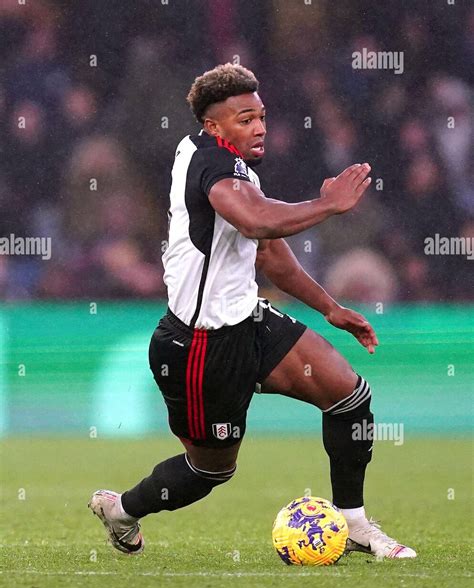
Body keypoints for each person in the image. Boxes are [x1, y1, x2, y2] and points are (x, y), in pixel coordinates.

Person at [89, 63, 415, 559]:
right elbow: (256, 218)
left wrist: (330, 308)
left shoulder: (230, 164)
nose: (259, 127)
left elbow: (266, 249)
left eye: (261, 116)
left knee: (348, 395)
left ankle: (354, 524)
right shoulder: (212, 165)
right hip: (199, 346)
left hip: (248, 321)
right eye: (245, 119)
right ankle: (122, 508)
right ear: (214, 126)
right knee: (210, 471)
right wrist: (328, 205)